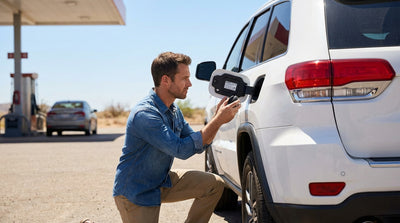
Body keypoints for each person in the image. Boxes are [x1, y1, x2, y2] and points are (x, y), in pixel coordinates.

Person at [113, 52, 241, 223]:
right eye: (184, 78)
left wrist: (217, 119)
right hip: (137, 191)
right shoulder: (145, 114)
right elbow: (181, 149)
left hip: (161, 180)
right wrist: (217, 121)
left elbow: (197, 141)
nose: (190, 84)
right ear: (166, 80)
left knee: (214, 184)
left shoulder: (174, 110)